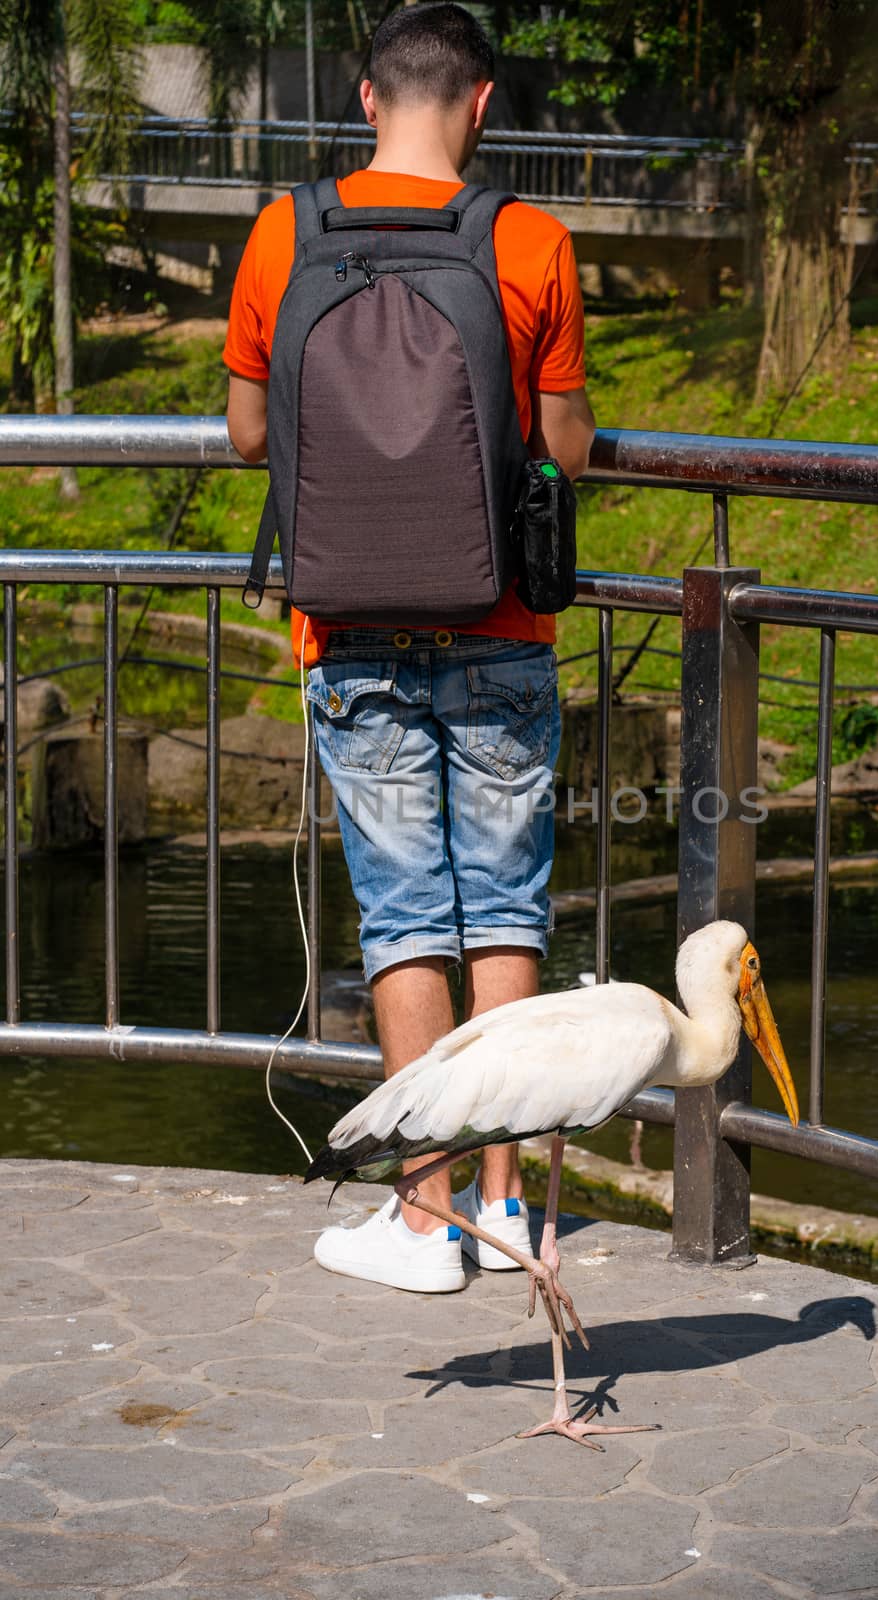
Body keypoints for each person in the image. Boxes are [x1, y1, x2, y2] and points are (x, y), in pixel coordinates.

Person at [224, 2, 595, 1294]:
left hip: (351, 629)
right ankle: (514, 1209)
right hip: (501, 623)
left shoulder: (287, 229)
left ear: (369, 100)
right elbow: (565, 449)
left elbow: (249, 436)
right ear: (482, 103)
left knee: (403, 923)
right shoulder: (532, 237)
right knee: (504, 915)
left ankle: (427, 1223)